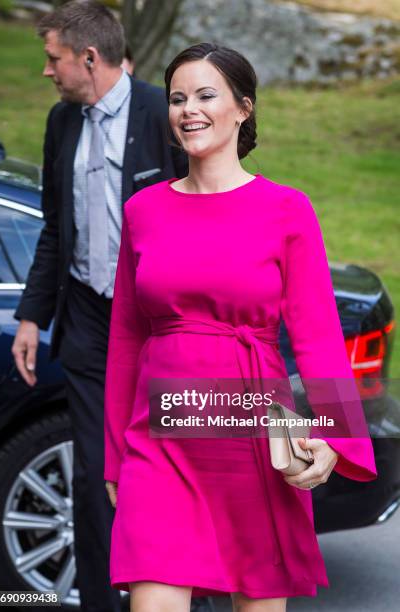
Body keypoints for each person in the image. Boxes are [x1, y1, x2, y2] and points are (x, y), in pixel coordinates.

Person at [104, 42, 378, 612]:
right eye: (178, 98)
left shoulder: (287, 210)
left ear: (243, 108)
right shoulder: (143, 211)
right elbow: (126, 340)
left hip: (250, 431)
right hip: (160, 438)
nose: (189, 109)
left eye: (206, 95)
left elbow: (319, 336)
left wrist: (332, 432)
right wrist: (114, 455)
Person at [11, 1, 187, 611]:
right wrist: (33, 315)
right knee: (92, 478)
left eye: (52, 58)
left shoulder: (160, 113)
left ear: (89, 58)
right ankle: (99, 602)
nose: (46, 71)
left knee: (166, 473)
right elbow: (56, 228)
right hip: (87, 318)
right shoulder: (62, 122)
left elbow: (197, 215)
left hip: (158, 326)